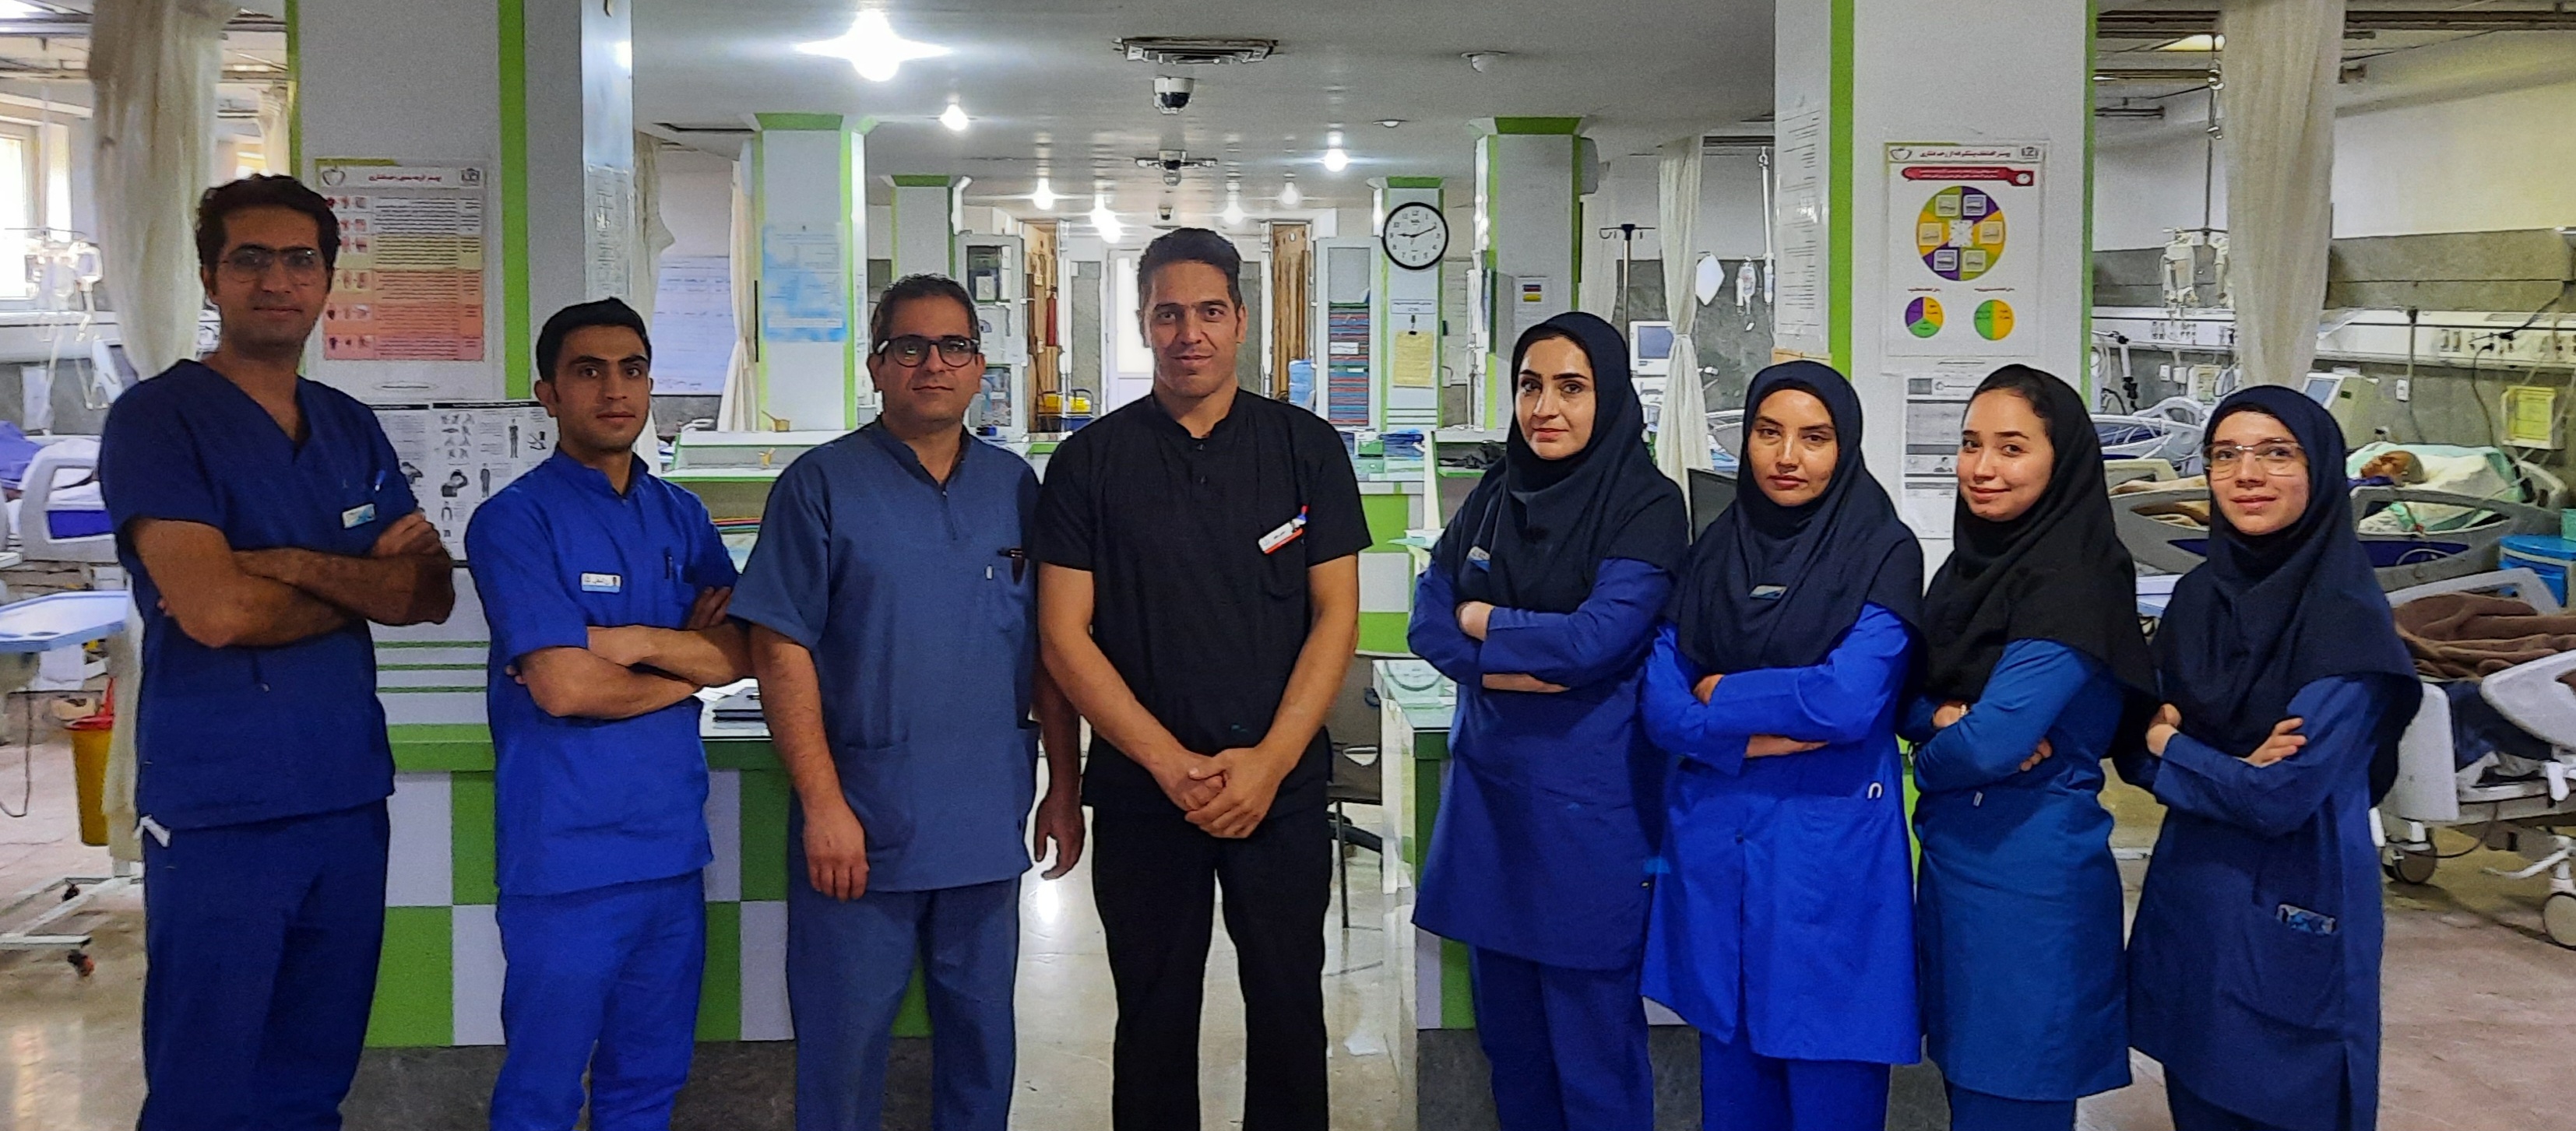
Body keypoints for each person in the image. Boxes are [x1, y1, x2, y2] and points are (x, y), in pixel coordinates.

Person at [99, 174, 456, 1129]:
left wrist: (289, 564)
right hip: (222, 806)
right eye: (249, 259)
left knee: (311, 1076)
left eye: (300, 260)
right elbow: (216, 612)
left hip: (344, 795)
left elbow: (426, 594)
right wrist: (357, 582)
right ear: (210, 278)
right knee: (206, 1085)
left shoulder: (347, 424)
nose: (277, 280)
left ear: (328, 279)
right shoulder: (157, 420)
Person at [733, 273, 1086, 1131]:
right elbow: (779, 648)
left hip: (984, 822)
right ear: (876, 365)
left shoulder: (1015, 488)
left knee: (981, 1047)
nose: (934, 364)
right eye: (910, 347)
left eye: (954, 346)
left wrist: (1065, 787)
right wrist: (823, 804)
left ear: (979, 368)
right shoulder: (820, 485)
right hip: (862, 828)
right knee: (843, 1052)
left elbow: (1052, 649)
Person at [1035, 229, 1367, 1131]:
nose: (1190, 333)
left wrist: (1269, 762)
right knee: (1152, 1017)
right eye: (1167, 314)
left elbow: (1335, 616)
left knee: (1289, 1011)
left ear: (1241, 321)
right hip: (1144, 796)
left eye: (1209, 311)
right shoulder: (1089, 464)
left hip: (1279, 791)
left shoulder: (1304, 449)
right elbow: (1062, 634)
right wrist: (1167, 764)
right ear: (1142, 322)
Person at [465, 298, 751, 1131]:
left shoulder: (680, 516)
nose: (615, 389)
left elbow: (742, 650)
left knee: (648, 1084)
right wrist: (685, 672)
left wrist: (630, 643)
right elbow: (564, 688)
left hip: (669, 850)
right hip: (565, 862)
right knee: (543, 1091)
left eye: (632, 369)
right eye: (588, 371)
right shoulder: (514, 520)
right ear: (548, 393)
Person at [1406, 312, 1687, 1131]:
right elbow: (1427, 624)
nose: (1545, 408)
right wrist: (1523, 656)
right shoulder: (1496, 494)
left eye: (1571, 387)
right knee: (1513, 1051)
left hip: (1588, 819)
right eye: (1530, 385)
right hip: (1490, 814)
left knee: (1594, 1058)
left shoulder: (1647, 506)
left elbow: (1596, 640)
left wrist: (1484, 622)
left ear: (1610, 397)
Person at [2121, 387, 2416, 1131]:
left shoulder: (2347, 623)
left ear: (2320, 469)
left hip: (2298, 894)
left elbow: (2280, 796)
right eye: (2226, 454)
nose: (2247, 473)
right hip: (2195, 898)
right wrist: (2194, 758)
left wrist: (2173, 744)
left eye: (2277, 453)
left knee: (2290, 1094)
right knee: (2198, 1087)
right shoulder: (2198, 598)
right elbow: (2130, 746)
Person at [1641, 362, 1923, 1131]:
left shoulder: (1881, 551)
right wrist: (1755, 740)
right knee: (1732, 1090)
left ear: (1845, 446)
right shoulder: (1715, 550)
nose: (1787, 456)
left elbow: (1847, 700)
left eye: (1813, 437)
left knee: (1830, 1083)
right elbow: (1662, 707)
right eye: (1768, 433)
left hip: (1825, 867)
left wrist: (1722, 695)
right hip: (1720, 855)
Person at [1904, 365, 2155, 1131]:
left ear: (2061, 459)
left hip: (2027, 886)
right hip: (1957, 870)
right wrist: (1943, 720)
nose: (1982, 467)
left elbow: (1994, 743)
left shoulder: (2075, 578)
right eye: (1970, 444)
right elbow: (1909, 699)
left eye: (2011, 447)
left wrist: (1926, 759)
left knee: (2012, 1096)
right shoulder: (1968, 572)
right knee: (1966, 1089)